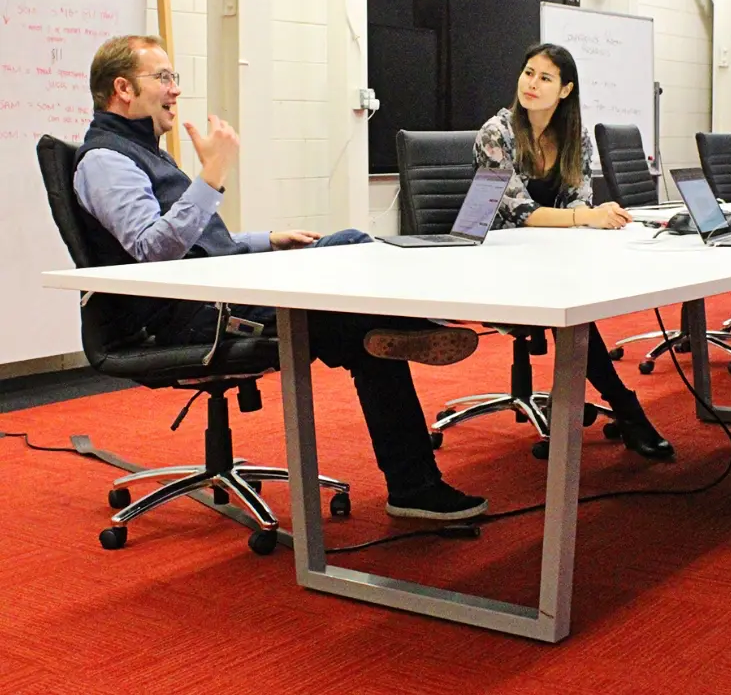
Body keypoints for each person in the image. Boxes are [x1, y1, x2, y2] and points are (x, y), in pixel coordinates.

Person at [73, 34, 487, 521]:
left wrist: (267, 240)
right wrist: (211, 175)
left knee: (350, 244)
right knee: (361, 327)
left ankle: (409, 341)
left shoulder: (142, 151)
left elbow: (201, 242)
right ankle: (414, 468)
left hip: (213, 297)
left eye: (173, 77)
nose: (174, 89)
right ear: (122, 87)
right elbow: (152, 250)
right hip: (187, 319)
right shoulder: (106, 161)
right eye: (163, 77)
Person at [474, 42, 674, 460]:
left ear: (565, 90)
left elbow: (577, 201)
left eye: (545, 78)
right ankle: (624, 405)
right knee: (573, 313)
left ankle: (617, 405)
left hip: (549, 255)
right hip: (496, 260)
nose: (532, 84)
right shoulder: (497, 134)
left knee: (578, 302)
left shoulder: (576, 136)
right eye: (528, 72)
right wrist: (585, 218)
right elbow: (516, 212)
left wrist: (592, 215)